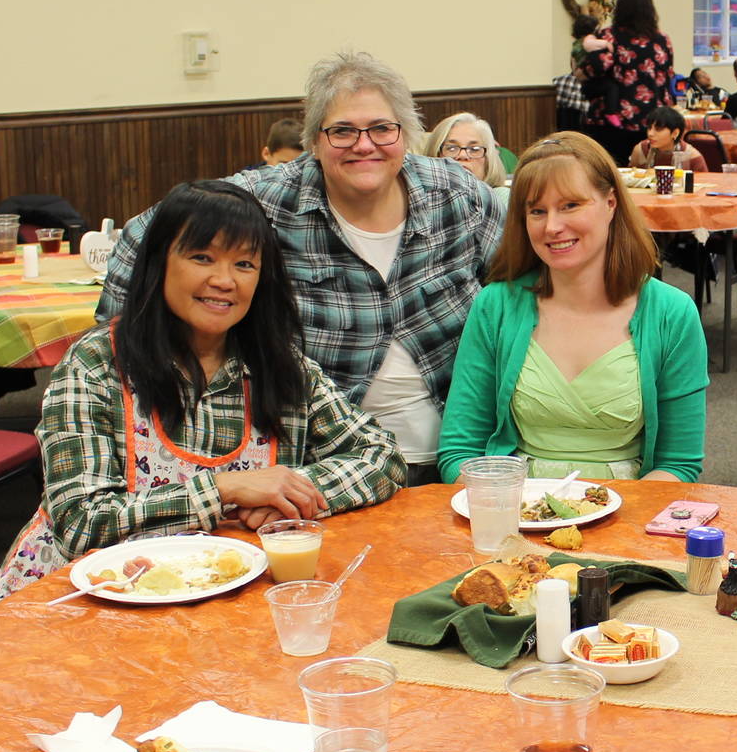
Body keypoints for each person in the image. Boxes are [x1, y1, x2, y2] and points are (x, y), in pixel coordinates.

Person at [0, 181, 403, 603]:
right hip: (86, 599)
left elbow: (381, 456)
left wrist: (287, 493)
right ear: (159, 263)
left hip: (224, 592)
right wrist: (226, 490)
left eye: (244, 264)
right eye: (202, 257)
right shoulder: (96, 364)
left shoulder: (279, 367)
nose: (224, 280)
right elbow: (80, 525)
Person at [101, 52, 501, 485]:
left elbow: (520, 287)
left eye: (382, 128)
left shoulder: (458, 195)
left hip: (459, 462)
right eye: (342, 131)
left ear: (406, 136)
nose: (364, 144)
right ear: (314, 141)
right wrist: (138, 356)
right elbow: (144, 236)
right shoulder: (267, 199)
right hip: (322, 467)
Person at [438, 133, 707, 482]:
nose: (552, 226)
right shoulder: (495, 306)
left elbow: (679, 465)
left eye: (570, 205)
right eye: (537, 211)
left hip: (630, 516)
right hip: (514, 511)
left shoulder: (671, 313)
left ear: (611, 203)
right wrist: (517, 515)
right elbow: (460, 451)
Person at [578, 0, 677, 165]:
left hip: (614, 117)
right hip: (652, 119)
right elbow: (669, 74)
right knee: (648, 171)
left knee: (613, 170)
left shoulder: (609, 36)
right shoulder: (662, 40)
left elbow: (595, 68)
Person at [426, 112, 511, 212]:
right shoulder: (420, 202)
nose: (463, 155)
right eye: (451, 148)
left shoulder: (502, 199)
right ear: (434, 155)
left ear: (488, 160)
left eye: (474, 149)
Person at [626, 106, 705, 172]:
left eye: (658, 129)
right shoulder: (641, 150)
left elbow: (706, 186)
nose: (650, 133)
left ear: (675, 133)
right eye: (649, 128)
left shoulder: (691, 156)